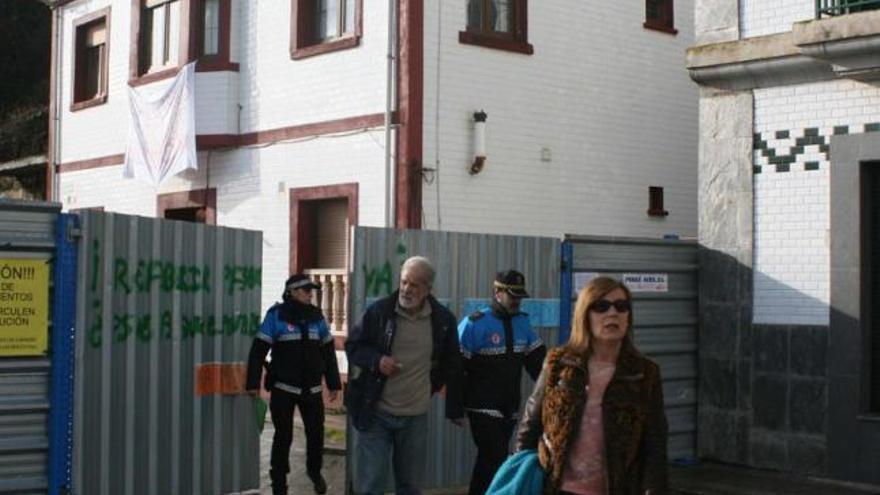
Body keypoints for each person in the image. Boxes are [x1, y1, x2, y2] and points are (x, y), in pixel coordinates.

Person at [515, 276, 668, 495]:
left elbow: (655, 445)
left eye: (621, 307)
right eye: (601, 307)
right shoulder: (558, 364)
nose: (612, 313)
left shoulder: (645, 373)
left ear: (628, 317)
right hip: (557, 488)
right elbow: (529, 428)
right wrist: (521, 476)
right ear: (585, 315)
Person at [345, 256, 464, 495]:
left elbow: (452, 366)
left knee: (409, 486)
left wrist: (455, 409)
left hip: (415, 417)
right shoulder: (379, 312)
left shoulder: (442, 321)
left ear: (428, 289)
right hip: (375, 413)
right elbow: (353, 346)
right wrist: (377, 361)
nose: (407, 289)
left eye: (415, 285)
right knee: (371, 485)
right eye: (404, 282)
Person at [245, 274, 341, 495]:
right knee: (283, 437)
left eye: (311, 291)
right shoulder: (276, 316)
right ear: (293, 292)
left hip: (313, 391)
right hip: (283, 390)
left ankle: (314, 472)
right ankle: (279, 483)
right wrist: (253, 383)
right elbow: (258, 351)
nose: (310, 294)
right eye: (306, 290)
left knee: (316, 436)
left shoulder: (317, 317)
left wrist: (334, 383)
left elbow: (328, 353)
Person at [458, 270, 547, 495]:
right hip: (482, 407)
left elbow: (540, 365)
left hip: (510, 407)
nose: (517, 301)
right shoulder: (474, 324)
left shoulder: (522, 323)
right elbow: (455, 369)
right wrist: (454, 407)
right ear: (497, 293)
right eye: (512, 295)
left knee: (489, 463)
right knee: (496, 458)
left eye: (520, 296)